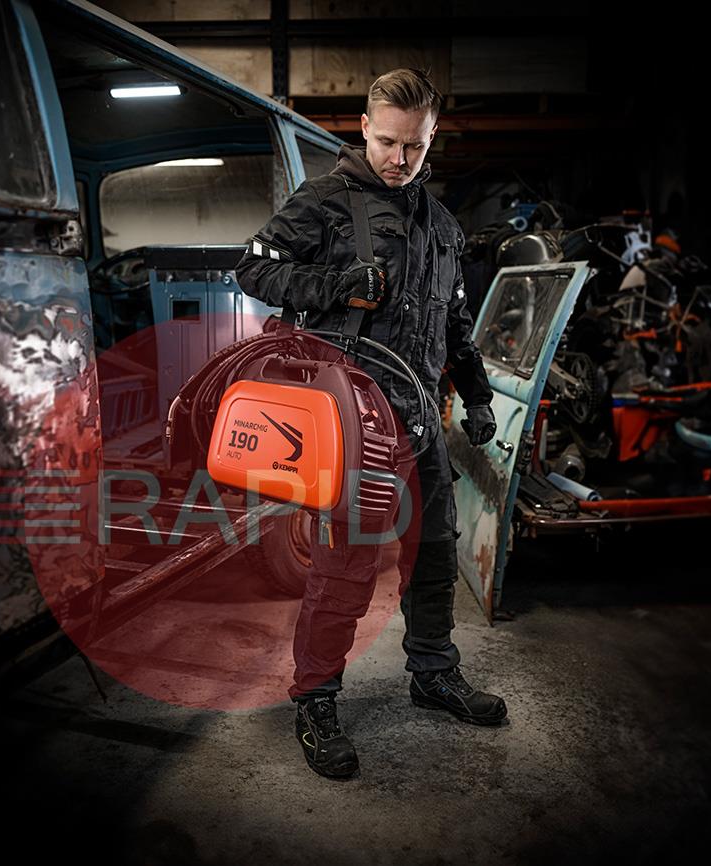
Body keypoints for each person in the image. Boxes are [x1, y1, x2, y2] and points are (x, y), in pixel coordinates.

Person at [235, 68, 506, 779]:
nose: (399, 158)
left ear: (432, 138)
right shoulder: (325, 201)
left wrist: (477, 396)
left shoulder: (442, 226)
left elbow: (454, 324)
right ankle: (316, 698)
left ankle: (433, 673)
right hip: (352, 423)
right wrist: (333, 286)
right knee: (346, 566)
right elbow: (253, 269)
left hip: (421, 421)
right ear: (364, 129)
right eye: (387, 142)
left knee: (434, 553)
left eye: (414, 146)